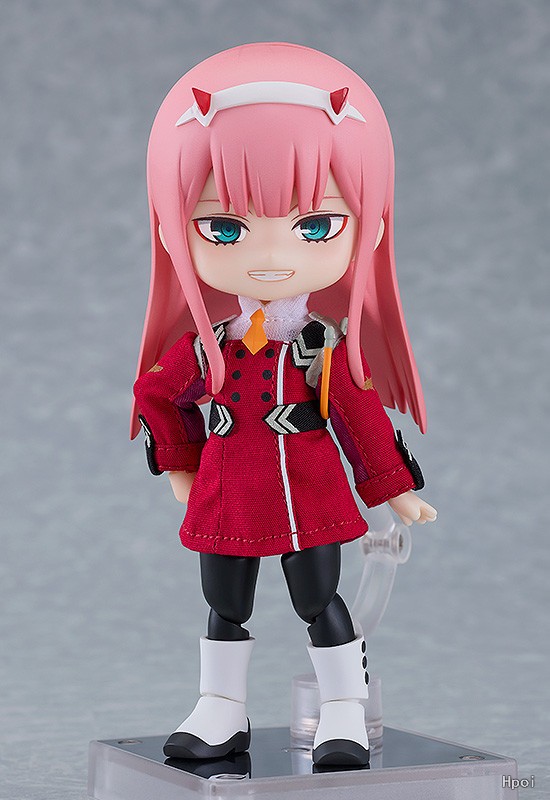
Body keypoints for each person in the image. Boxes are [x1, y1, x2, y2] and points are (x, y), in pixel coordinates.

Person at [132, 43, 437, 767]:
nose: (270, 256)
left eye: (315, 226)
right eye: (225, 228)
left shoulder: (323, 345)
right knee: (224, 600)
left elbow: (361, 419)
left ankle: (343, 710)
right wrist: (180, 463)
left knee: (318, 599)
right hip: (227, 490)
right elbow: (156, 392)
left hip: (309, 489)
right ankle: (220, 707)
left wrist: (394, 490)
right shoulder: (211, 345)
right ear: (175, 229)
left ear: (370, 226)